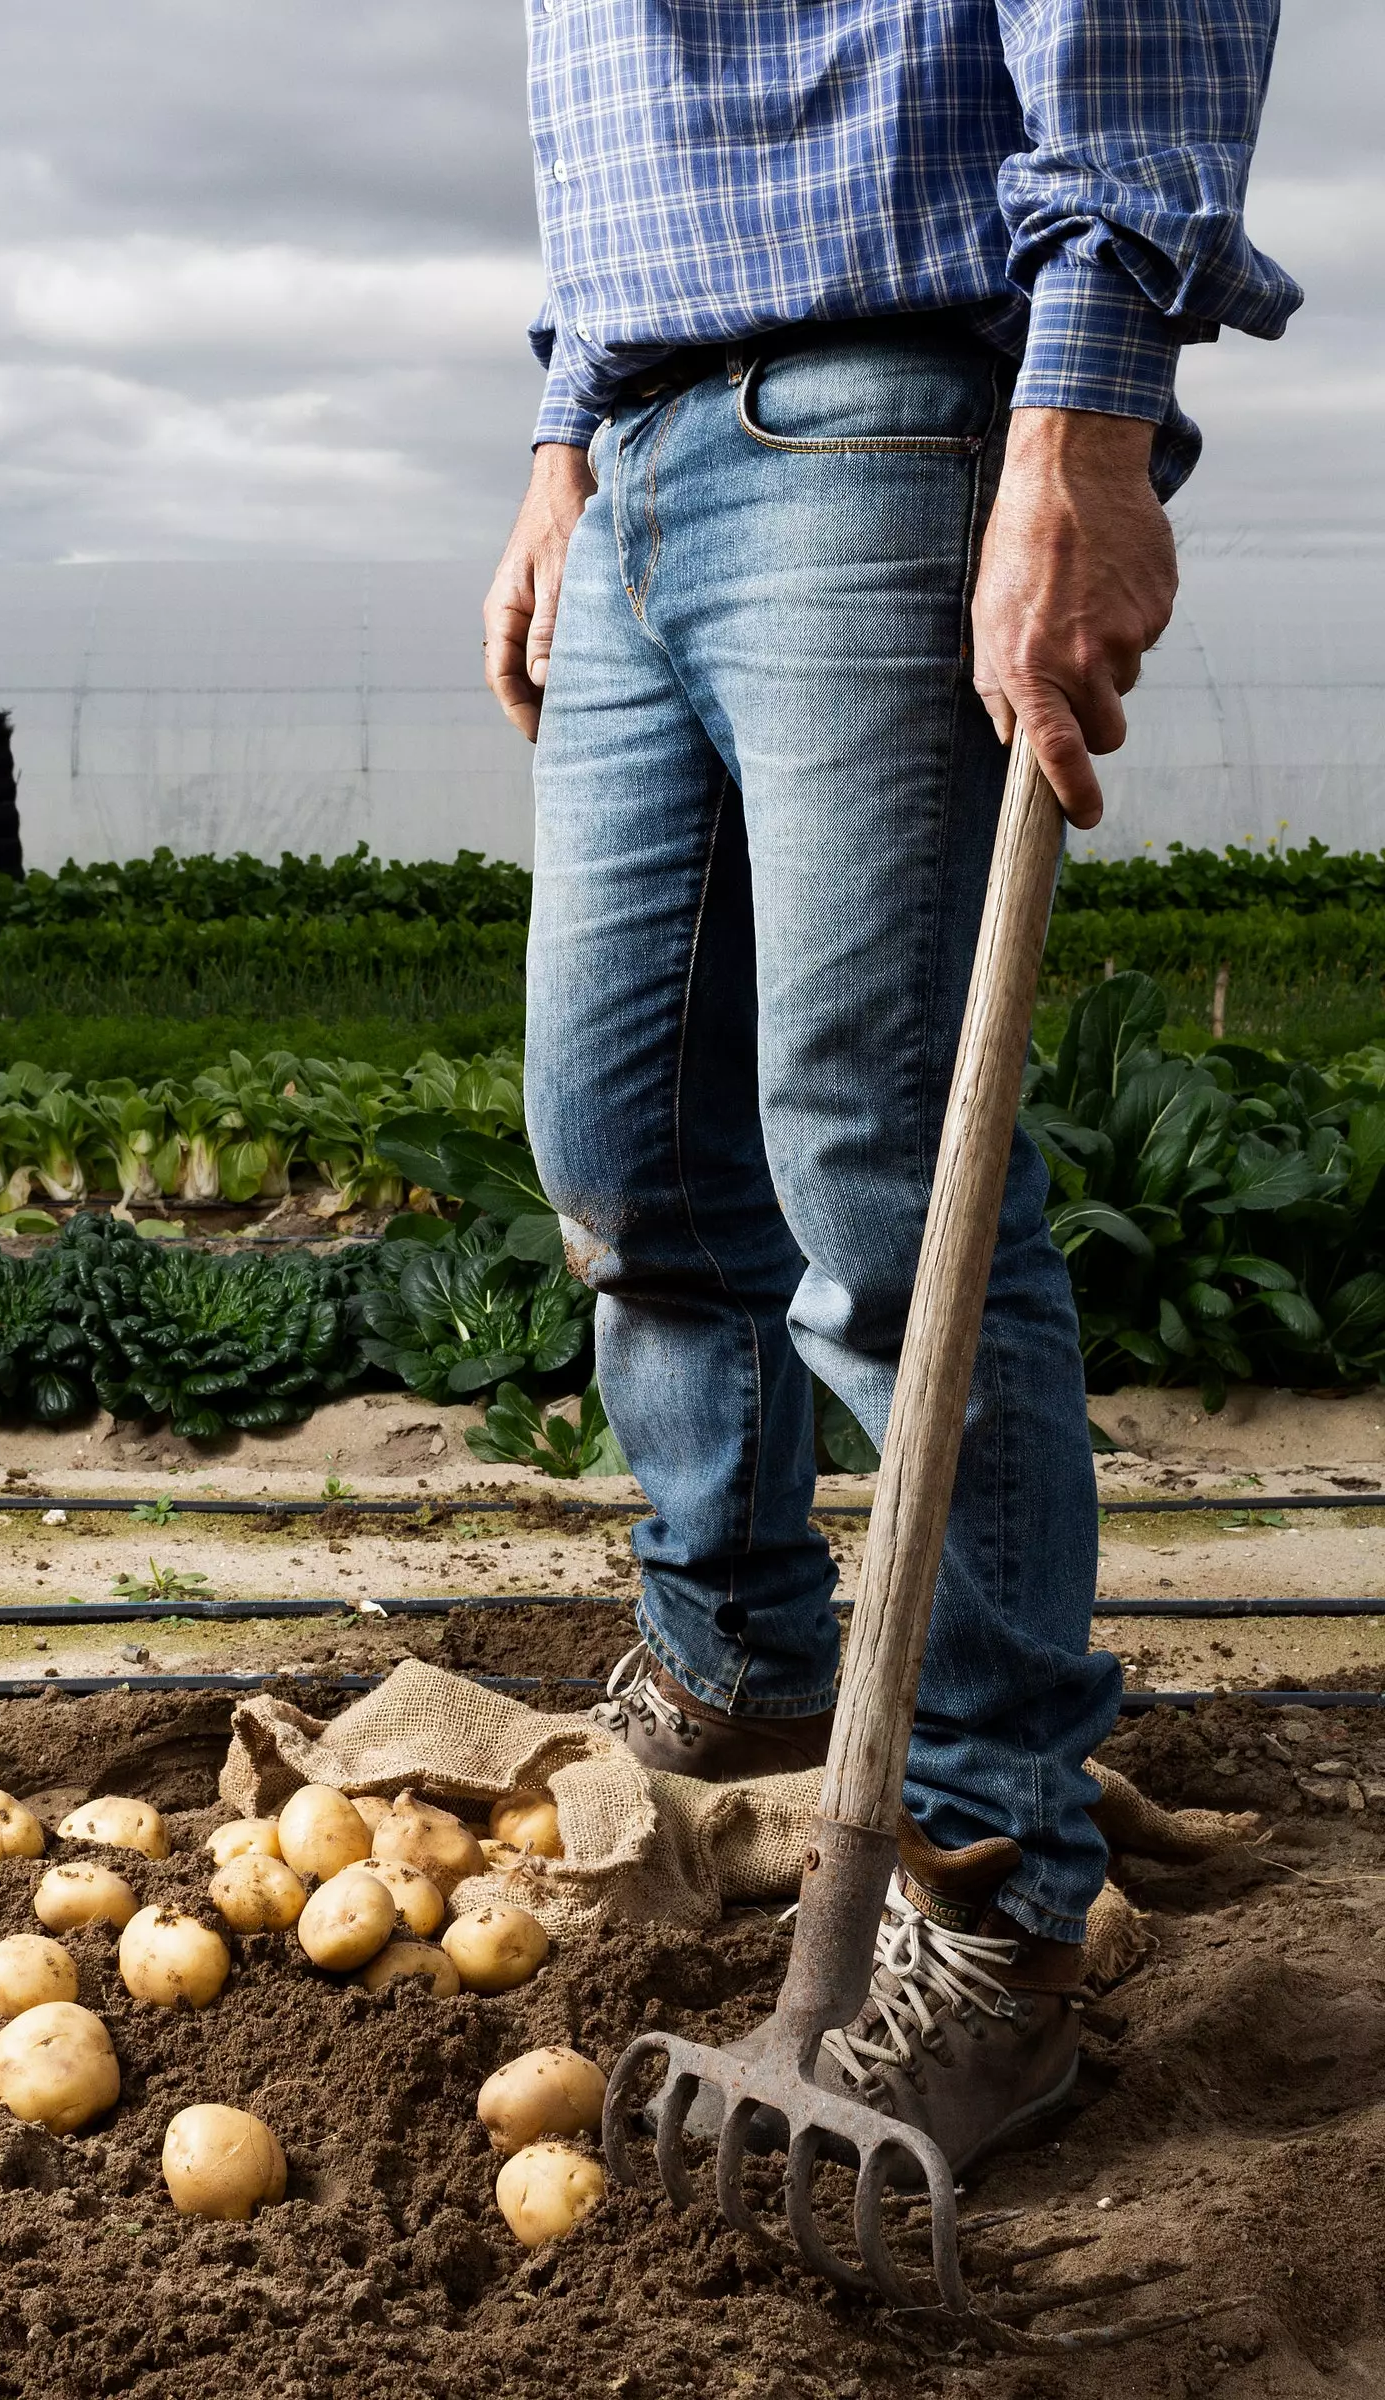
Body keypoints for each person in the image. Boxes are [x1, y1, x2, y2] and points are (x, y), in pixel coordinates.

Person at [483, 0, 1298, 2169]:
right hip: (640, 432)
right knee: (620, 1136)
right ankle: (737, 1645)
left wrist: (1084, 430)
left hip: (880, 402)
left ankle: (989, 1887)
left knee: (877, 1175)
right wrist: (567, 435)